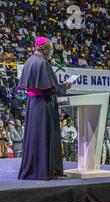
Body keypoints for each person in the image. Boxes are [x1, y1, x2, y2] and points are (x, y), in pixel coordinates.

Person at [17, 37, 72, 180]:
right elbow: (49, 89)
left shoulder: (29, 61)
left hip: (33, 104)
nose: (51, 51)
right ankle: (45, 170)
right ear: (42, 48)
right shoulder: (42, 63)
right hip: (44, 105)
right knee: (45, 136)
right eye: (50, 48)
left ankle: (36, 169)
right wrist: (64, 87)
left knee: (35, 137)